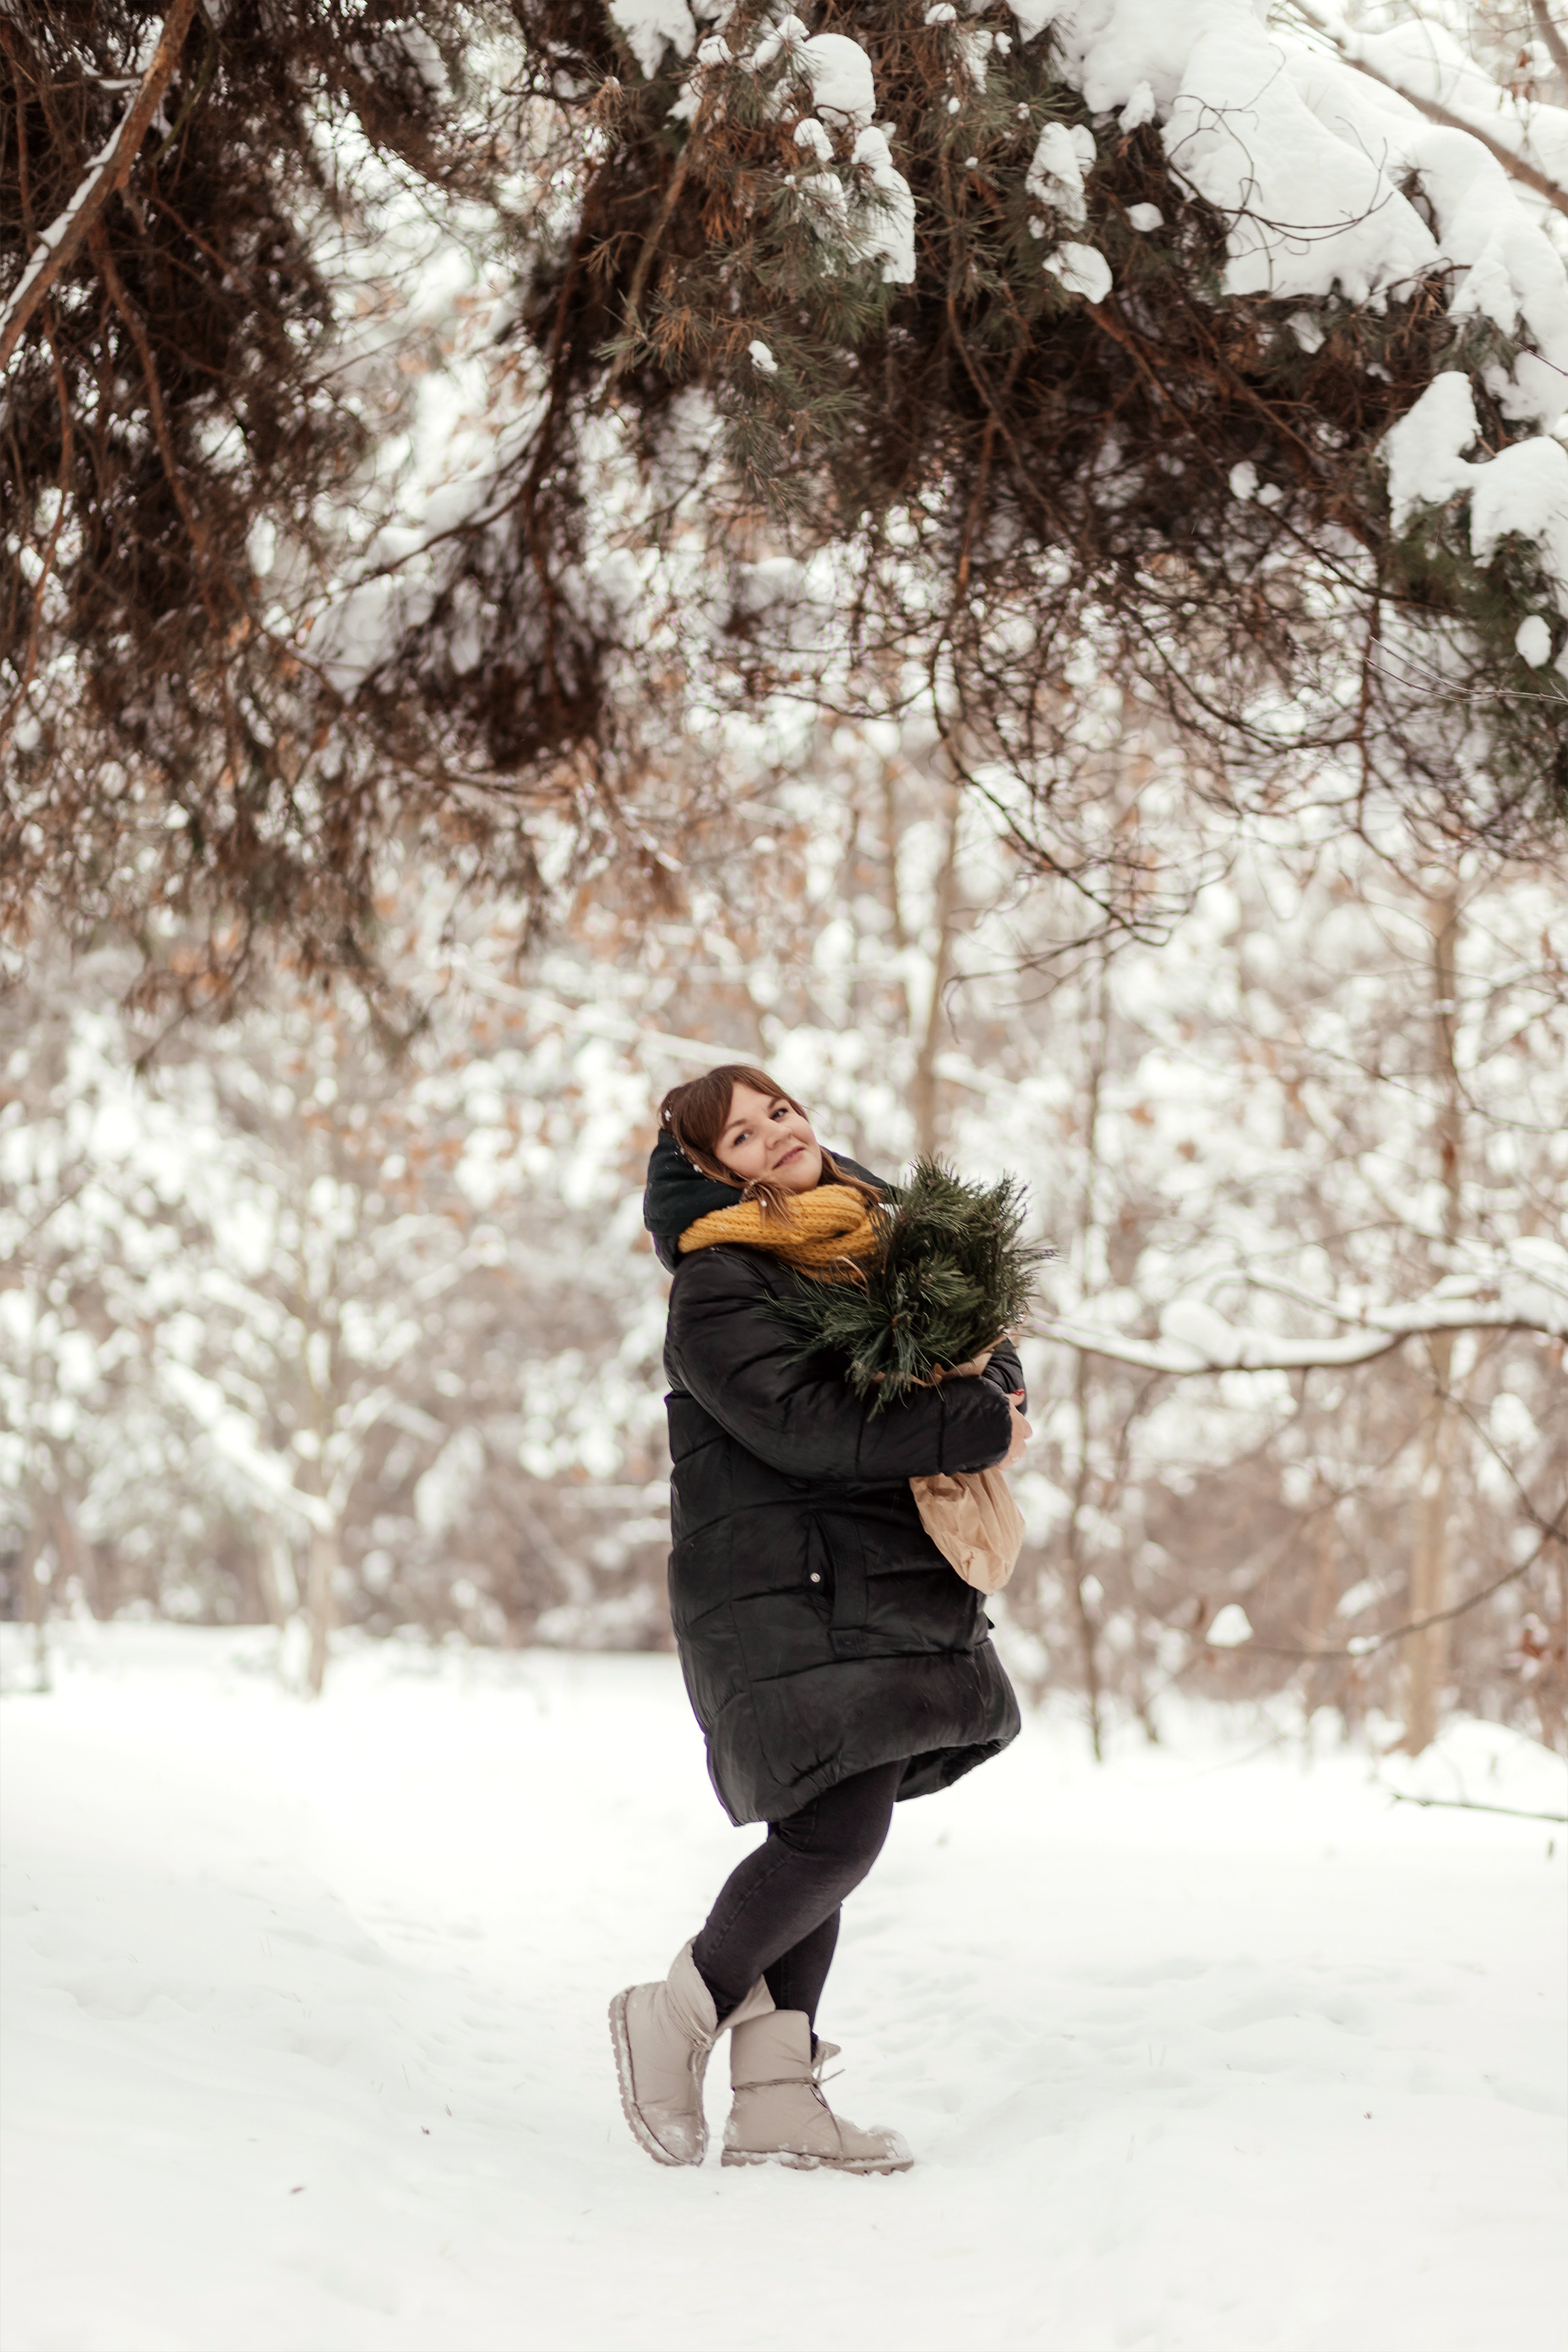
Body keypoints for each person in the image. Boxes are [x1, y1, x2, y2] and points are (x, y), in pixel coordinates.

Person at [610, 1064, 1030, 2174]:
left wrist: (997, 1392)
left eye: (779, 1112)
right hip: (779, 1587)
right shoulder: (719, 1285)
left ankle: (776, 2101)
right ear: (712, 1175)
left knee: (831, 1822)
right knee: (833, 1833)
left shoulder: (877, 1237)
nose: (775, 1136)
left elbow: (969, 1346)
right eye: (741, 1138)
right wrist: (977, 1424)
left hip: (871, 1574)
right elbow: (807, 1427)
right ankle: (676, 2012)